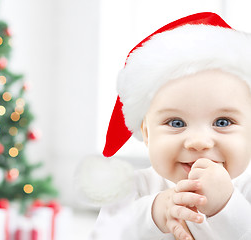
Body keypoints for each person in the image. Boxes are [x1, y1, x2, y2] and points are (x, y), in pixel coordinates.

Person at [78, 12, 251, 240]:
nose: (198, 141)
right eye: (176, 123)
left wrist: (226, 206)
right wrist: (156, 212)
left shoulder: (246, 188)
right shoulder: (135, 187)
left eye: (222, 122)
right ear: (147, 133)